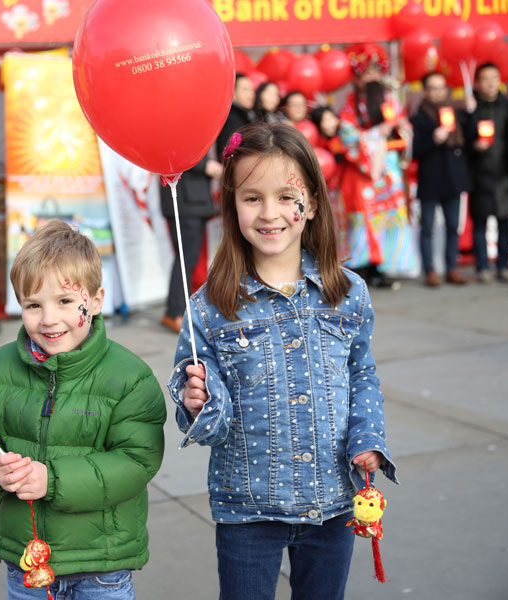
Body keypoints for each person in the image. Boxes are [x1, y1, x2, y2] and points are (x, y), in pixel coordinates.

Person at [167, 122, 397, 600]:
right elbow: (208, 426)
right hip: (249, 511)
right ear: (232, 205)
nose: (269, 213)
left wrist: (368, 438)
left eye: (285, 196)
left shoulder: (348, 293)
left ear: (311, 203)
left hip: (334, 501)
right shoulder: (208, 307)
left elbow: (362, 374)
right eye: (252, 198)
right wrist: (199, 403)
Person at [0, 219, 166, 600]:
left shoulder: (129, 377)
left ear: (95, 301)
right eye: (33, 305)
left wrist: (53, 480)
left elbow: (137, 460)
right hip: (27, 565)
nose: (48, 319)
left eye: (65, 301)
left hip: (102, 566)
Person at [337, 43, 416, 288]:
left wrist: (403, 132)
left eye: (375, 71)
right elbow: (348, 136)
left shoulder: (390, 99)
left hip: (388, 170)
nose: (372, 77)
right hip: (364, 172)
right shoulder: (351, 105)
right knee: (363, 219)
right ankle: (362, 267)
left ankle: (385, 266)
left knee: (389, 218)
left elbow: (403, 129)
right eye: (366, 72)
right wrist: (375, 135)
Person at [410, 71, 472, 287]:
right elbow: (415, 151)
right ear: (425, 91)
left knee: (453, 226)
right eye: (433, 88)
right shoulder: (418, 118)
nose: (438, 92)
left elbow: (471, 139)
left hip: (454, 178)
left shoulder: (455, 113)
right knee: (427, 227)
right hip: (430, 179)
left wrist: (472, 112)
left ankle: (451, 268)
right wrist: (434, 139)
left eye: (441, 87)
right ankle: (430, 271)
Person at [464, 63, 508, 283]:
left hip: (505, 173)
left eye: (494, 78)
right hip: (478, 173)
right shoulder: (470, 107)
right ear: (477, 82)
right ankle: (483, 267)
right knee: (480, 223)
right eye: (485, 79)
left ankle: (504, 265)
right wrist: (470, 121)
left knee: (505, 221)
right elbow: (463, 142)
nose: (490, 83)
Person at [159, 154, 222, 333]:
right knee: (186, 259)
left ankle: (178, 310)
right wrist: (204, 165)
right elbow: (173, 153)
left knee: (189, 259)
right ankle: (175, 312)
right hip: (185, 201)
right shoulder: (172, 130)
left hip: (193, 200)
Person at [311, 105, 349, 260]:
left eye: (332, 118)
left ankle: (341, 259)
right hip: (322, 191)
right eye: (325, 120)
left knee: (340, 226)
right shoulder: (317, 143)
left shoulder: (338, 139)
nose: (331, 123)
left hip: (338, 189)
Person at [216, 73, 257, 157]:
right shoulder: (231, 118)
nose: (251, 94)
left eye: (252, 90)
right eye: (245, 89)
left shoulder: (245, 114)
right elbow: (227, 153)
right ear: (233, 92)